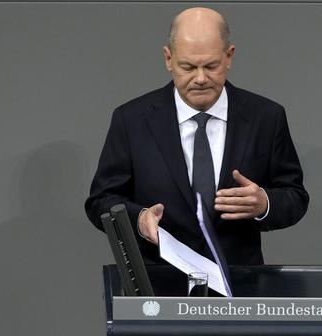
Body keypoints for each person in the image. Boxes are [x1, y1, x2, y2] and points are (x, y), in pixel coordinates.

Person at [85, 7, 309, 265]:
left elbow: (294, 196)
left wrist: (264, 204)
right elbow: (101, 201)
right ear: (168, 59)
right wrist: (138, 219)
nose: (200, 78)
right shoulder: (131, 120)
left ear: (229, 57)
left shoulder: (266, 117)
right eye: (188, 67)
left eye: (211, 66)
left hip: (239, 286)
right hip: (158, 287)